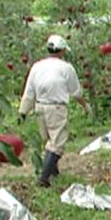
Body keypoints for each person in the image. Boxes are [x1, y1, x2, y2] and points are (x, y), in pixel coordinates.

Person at [18, 34, 90, 187]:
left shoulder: (37, 66)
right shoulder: (66, 68)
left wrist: (23, 111)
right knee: (57, 144)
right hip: (56, 108)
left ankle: (54, 173)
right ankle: (43, 179)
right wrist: (85, 105)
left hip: (39, 108)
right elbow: (76, 92)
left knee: (49, 142)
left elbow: (29, 92)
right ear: (62, 50)